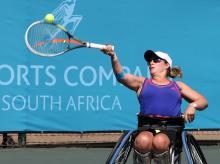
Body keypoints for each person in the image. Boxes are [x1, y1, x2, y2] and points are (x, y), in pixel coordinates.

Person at [101, 45, 208, 164]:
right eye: (149, 61)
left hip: (171, 129)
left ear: (167, 65)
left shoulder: (178, 86)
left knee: (160, 141)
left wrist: (193, 106)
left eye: (156, 60)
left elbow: (202, 101)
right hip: (147, 126)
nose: (151, 62)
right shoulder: (142, 83)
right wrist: (113, 57)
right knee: (142, 140)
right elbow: (121, 77)